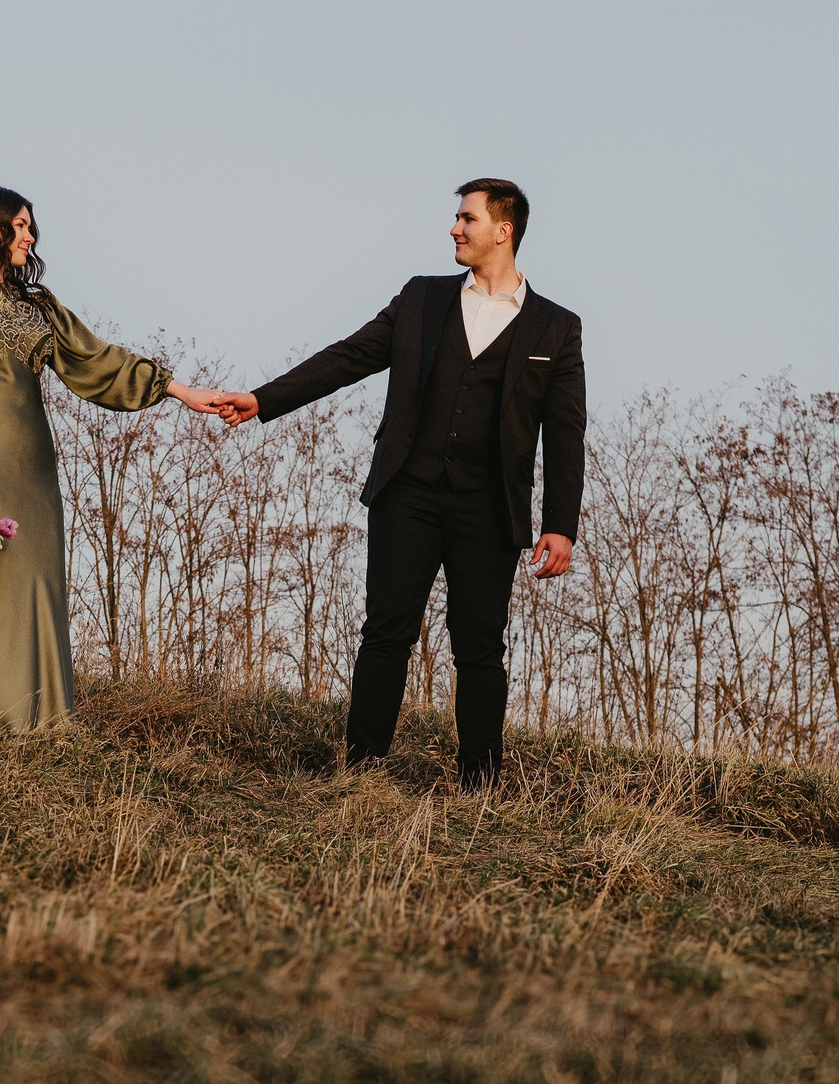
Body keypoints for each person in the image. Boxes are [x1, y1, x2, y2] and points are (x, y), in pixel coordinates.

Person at [213, 178, 585, 789]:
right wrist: (263, 398)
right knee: (386, 632)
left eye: (466, 218)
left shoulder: (555, 327)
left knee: (480, 647)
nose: (454, 228)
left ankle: (480, 786)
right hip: (407, 491)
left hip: (491, 508)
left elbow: (566, 433)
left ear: (503, 229)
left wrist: (560, 524)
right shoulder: (422, 299)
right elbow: (349, 356)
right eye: (456, 218)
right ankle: (361, 771)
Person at [0, 187, 227, 738]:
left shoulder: (38, 306)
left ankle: (40, 726)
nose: (30, 236)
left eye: (31, 227)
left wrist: (180, 391)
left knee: (34, 585)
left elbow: (98, 362)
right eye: (21, 225)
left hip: (34, 467)